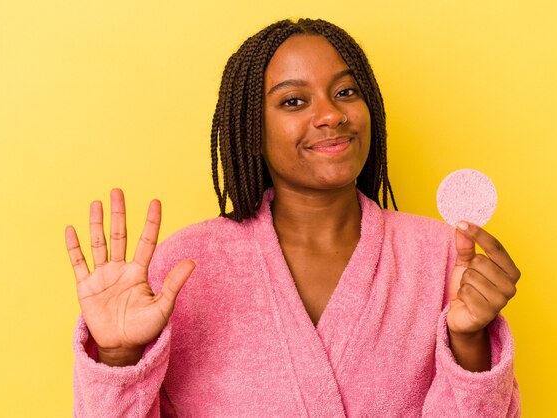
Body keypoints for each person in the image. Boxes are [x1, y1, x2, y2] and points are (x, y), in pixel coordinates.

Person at [66, 18, 521, 417]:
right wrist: (118, 355)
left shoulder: (441, 255)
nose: (330, 115)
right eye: (293, 102)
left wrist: (470, 342)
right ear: (250, 129)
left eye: (345, 92)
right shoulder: (184, 268)